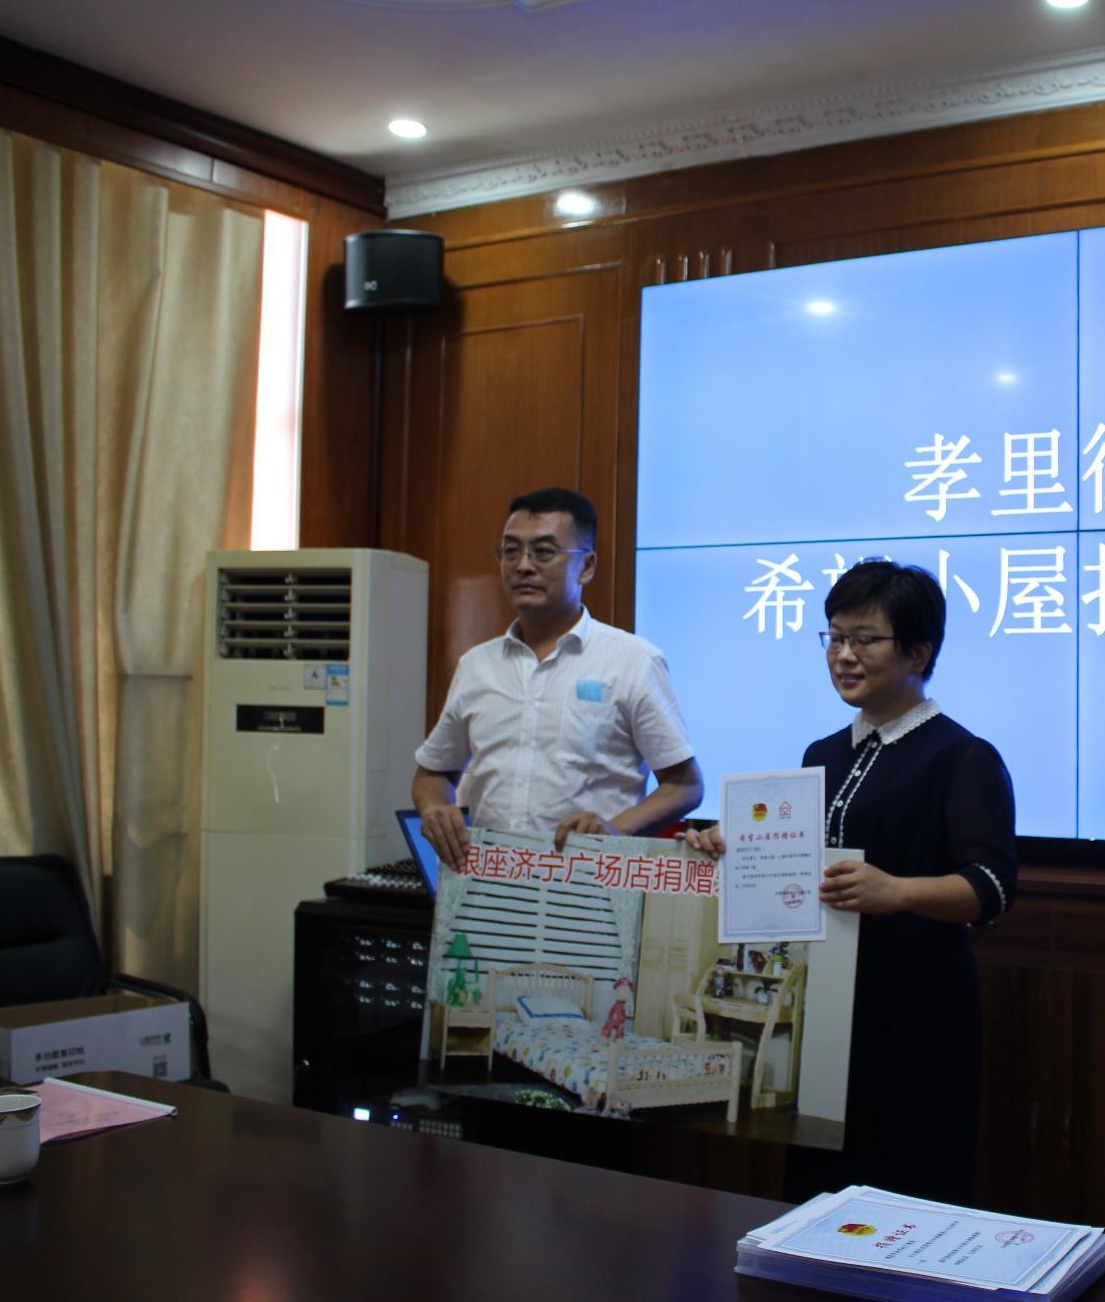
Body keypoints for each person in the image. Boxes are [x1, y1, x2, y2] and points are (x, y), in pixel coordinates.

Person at [684, 560, 1017, 1203]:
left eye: (865, 640)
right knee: (820, 1191)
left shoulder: (962, 755)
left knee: (908, 1189)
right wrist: (730, 845)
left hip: (918, 1012)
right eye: (834, 638)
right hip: (830, 1007)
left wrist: (898, 891)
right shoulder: (823, 754)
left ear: (919, 653)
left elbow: (993, 887)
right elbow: (798, 862)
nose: (843, 655)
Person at [413, 487, 703, 864]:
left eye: (544, 551)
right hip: (488, 883)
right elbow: (432, 774)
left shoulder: (632, 660)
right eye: (511, 550)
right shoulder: (476, 665)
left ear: (587, 566)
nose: (523, 565)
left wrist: (616, 829)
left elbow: (685, 785)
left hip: (590, 882)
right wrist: (435, 809)